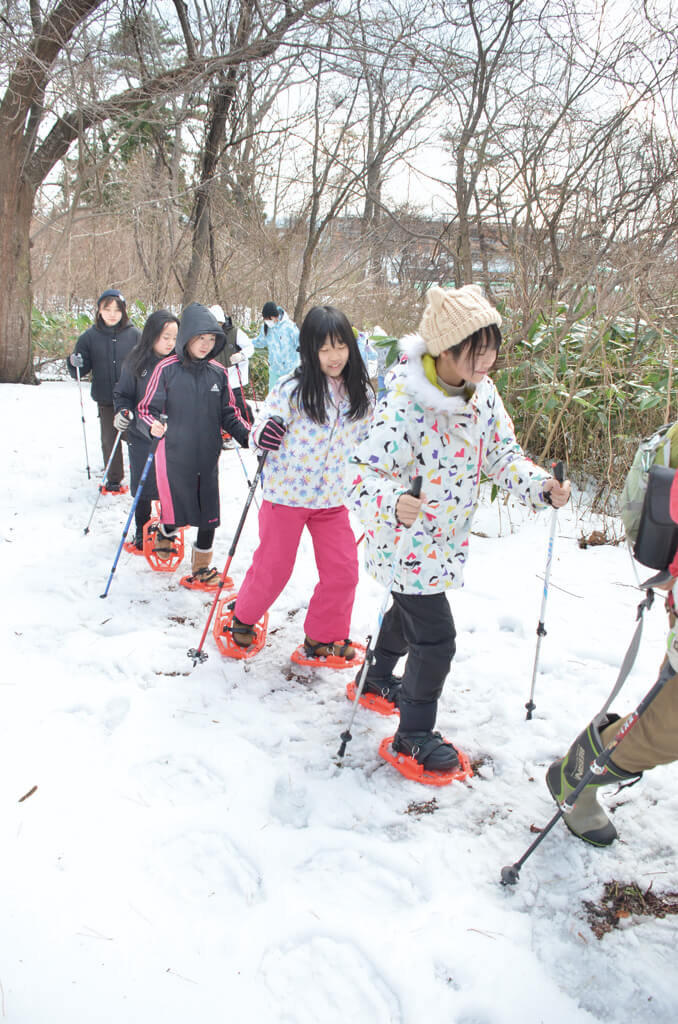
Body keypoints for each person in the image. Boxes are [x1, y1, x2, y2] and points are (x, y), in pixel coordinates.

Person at [348, 284, 571, 776]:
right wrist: (393, 502)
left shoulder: (482, 395)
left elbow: (502, 457)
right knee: (436, 638)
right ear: (445, 349)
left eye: (492, 346)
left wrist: (540, 486)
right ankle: (412, 735)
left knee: (409, 619)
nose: (488, 358)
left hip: (446, 541)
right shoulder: (406, 404)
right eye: (477, 348)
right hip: (403, 542)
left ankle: (376, 677)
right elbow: (361, 473)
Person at [230, 305, 375, 657]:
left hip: (332, 499)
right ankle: (243, 618)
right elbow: (260, 429)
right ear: (310, 350)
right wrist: (265, 434)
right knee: (275, 567)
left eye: (340, 346)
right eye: (324, 348)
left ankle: (322, 635)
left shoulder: (362, 394)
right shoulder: (292, 388)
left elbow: (374, 442)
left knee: (343, 571)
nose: (334, 356)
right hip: (286, 496)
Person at [136, 303, 250, 588]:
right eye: (200, 338)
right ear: (187, 337)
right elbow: (146, 408)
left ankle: (201, 568)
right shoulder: (166, 369)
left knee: (209, 515)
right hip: (174, 456)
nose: (206, 345)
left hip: (207, 456)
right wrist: (152, 424)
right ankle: (165, 531)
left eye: (211, 339)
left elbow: (229, 413)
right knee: (178, 514)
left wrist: (250, 437)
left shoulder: (218, 373)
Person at [112, 310, 179, 549]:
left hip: (172, 435)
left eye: (174, 337)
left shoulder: (179, 361)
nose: (170, 343)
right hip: (141, 433)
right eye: (165, 337)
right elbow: (123, 394)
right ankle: (141, 530)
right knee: (143, 482)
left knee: (169, 484)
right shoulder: (136, 360)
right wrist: (122, 413)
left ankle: (166, 532)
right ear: (152, 335)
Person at [67, 288, 141, 491]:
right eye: (107, 309)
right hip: (106, 397)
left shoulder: (135, 335)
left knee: (134, 435)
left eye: (117, 310)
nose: (112, 314)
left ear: (123, 312)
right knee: (110, 439)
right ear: (99, 310)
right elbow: (80, 370)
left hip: (133, 397)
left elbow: (146, 363)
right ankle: (114, 479)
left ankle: (143, 473)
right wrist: (75, 363)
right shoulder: (89, 337)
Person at [208, 303, 255, 424]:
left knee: (238, 402)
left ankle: (250, 424)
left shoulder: (234, 332)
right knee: (217, 404)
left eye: (220, 323)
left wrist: (241, 355)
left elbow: (250, 347)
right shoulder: (207, 334)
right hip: (215, 374)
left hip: (233, 374)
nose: (218, 326)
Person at [252, 300, 300, 390]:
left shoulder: (289, 326)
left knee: (288, 397)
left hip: (290, 370)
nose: (267, 321)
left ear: (275, 316)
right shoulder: (266, 327)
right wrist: (246, 343)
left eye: (268, 319)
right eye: (265, 319)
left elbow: (299, 342)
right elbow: (260, 342)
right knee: (273, 398)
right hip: (274, 369)